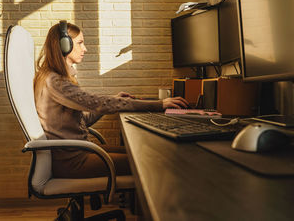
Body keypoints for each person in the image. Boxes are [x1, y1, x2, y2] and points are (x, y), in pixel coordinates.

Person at [34, 21, 188, 179]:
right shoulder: (56, 82)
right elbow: (99, 103)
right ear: (64, 45)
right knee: (151, 160)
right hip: (74, 163)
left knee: (139, 152)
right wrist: (160, 104)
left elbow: (83, 120)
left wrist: (114, 101)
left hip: (79, 154)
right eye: (80, 43)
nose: (85, 49)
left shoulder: (53, 77)